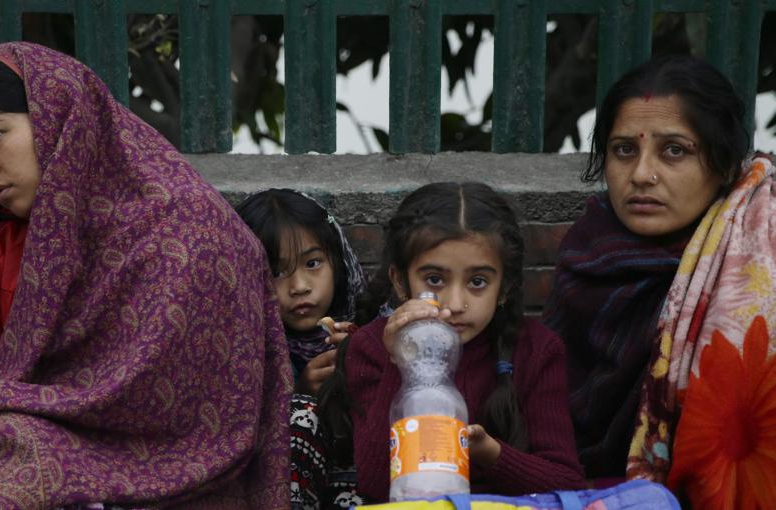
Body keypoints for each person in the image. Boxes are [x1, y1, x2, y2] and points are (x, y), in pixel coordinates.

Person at [0, 42, 291, 509]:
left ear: (59, 114)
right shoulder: (8, 245)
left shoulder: (190, 226)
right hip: (31, 444)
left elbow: (207, 400)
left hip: (181, 467)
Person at [542, 54, 776, 507]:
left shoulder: (757, 264)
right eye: (624, 149)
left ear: (726, 166)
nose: (642, 175)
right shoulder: (585, 258)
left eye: (674, 151)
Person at [321, 182, 585, 506]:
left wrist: (490, 453)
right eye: (434, 280)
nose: (456, 303)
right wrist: (399, 361)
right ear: (401, 282)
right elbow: (375, 486)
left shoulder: (536, 351)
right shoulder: (373, 348)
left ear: (505, 288)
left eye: (478, 282)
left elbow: (568, 482)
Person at [235, 189, 365, 394]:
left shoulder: (372, 328)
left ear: (339, 262)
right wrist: (299, 393)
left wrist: (370, 358)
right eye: (276, 272)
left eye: (313, 263)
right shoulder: (242, 358)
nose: (299, 287)